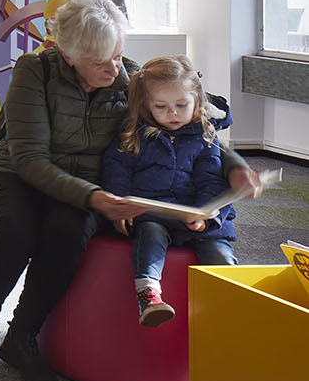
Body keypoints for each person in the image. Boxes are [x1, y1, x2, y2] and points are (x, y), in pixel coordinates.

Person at [0, 0, 261, 381]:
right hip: (22, 173)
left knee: (67, 234)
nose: (114, 68)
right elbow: (30, 159)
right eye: (99, 61)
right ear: (69, 56)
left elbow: (194, 130)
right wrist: (94, 198)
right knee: (17, 232)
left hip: (92, 182)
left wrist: (236, 167)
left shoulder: (131, 78)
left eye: (118, 55)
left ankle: (21, 337)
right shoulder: (33, 71)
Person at [100, 55, 238, 327]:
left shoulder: (205, 137)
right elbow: (117, 170)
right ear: (145, 104)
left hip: (196, 218)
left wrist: (205, 216)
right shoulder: (134, 133)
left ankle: (233, 303)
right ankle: (149, 297)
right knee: (150, 237)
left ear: (196, 100)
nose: (172, 113)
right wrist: (120, 206)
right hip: (153, 213)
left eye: (181, 105)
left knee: (219, 254)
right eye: (161, 106)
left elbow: (212, 181)